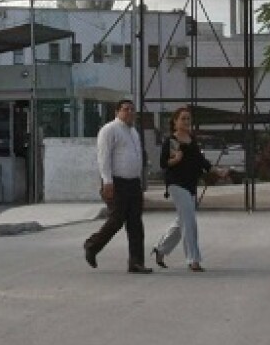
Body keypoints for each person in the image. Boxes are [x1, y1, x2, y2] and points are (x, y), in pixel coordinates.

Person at [83, 99, 152, 273]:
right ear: (117, 112)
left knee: (136, 223)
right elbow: (103, 157)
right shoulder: (109, 130)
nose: (129, 113)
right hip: (116, 182)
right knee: (116, 219)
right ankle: (92, 245)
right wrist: (107, 181)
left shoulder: (133, 132)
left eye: (132, 110)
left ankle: (136, 262)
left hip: (133, 183)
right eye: (125, 109)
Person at [152, 105, 221, 272]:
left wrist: (215, 170)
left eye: (188, 119)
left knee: (182, 220)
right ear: (175, 122)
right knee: (189, 221)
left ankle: (160, 249)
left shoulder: (191, 139)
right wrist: (175, 160)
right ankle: (193, 259)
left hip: (190, 184)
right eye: (182, 118)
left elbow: (200, 160)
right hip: (176, 184)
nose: (186, 121)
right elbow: (163, 164)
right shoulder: (171, 141)